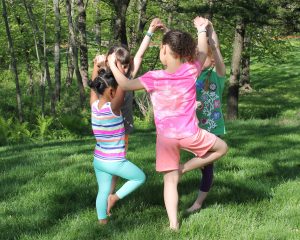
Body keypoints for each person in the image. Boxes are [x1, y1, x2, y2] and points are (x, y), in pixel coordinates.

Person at [107, 16, 228, 230]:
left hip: (166, 139)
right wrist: (201, 29)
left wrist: (111, 64)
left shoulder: (154, 77)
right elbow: (201, 50)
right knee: (222, 148)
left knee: (170, 181)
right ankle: (185, 168)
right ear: (185, 53)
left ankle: (174, 225)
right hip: (190, 133)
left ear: (164, 50)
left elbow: (124, 84)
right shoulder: (192, 70)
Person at [94, 18, 164, 198]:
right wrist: (99, 65)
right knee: (113, 166)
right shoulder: (106, 80)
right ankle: (109, 197)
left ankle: (108, 196)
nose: (125, 69)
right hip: (109, 132)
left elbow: (139, 55)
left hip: (122, 131)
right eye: (121, 66)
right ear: (111, 63)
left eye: (126, 66)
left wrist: (149, 31)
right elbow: (94, 90)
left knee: (116, 167)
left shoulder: (128, 76)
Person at [89, 64, 146, 225]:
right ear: (112, 92)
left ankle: (102, 221)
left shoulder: (94, 106)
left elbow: (93, 90)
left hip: (99, 159)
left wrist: (95, 66)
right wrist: (116, 69)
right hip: (114, 161)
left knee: (103, 190)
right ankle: (114, 197)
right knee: (140, 177)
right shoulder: (114, 108)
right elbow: (124, 85)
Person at [186, 20, 227, 213]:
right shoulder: (192, 78)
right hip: (196, 128)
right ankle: (181, 173)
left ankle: (198, 203)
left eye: (204, 57)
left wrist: (211, 31)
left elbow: (216, 50)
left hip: (214, 128)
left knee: (207, 165)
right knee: (205, 166)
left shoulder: (217, 75)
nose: (200, 60)